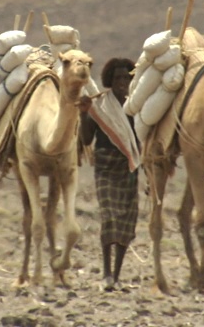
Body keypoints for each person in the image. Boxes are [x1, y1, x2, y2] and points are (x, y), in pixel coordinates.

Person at [78, 57, 140, 292]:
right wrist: (84, 113)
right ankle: (105, 273)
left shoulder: (137, 106)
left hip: (129, 168)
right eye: (117, 78)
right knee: (109, 217)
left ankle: (117, 274)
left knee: (127, 222)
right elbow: (85, 139)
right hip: (105, 167)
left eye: (126, 77)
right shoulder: (100, 107)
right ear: (109, 81)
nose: (122, 82)